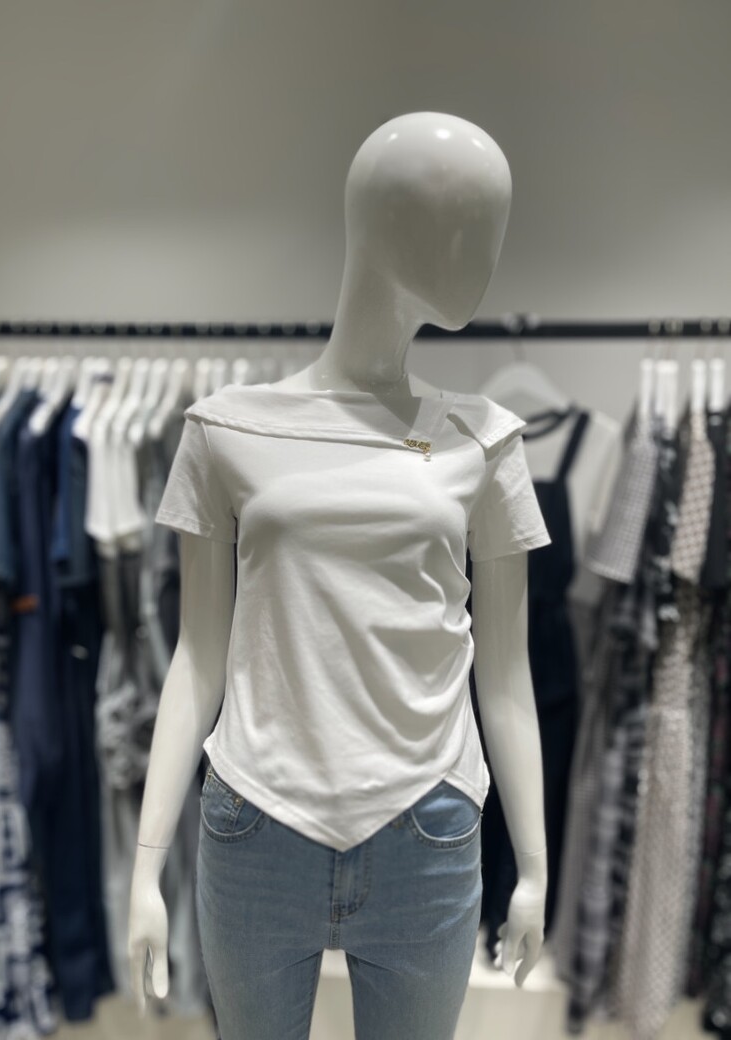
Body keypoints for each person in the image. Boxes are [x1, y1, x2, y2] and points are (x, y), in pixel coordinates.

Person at [128, 111, 552, 1040]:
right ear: (381, 223)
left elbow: (506, 673)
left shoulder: (485, 438)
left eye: (492, 227)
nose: (484, 256)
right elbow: (197, 657)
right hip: (256, 823)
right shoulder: (226, 428)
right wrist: (145, 863)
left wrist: (534, 865)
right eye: (464, 223)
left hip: (428, 825)